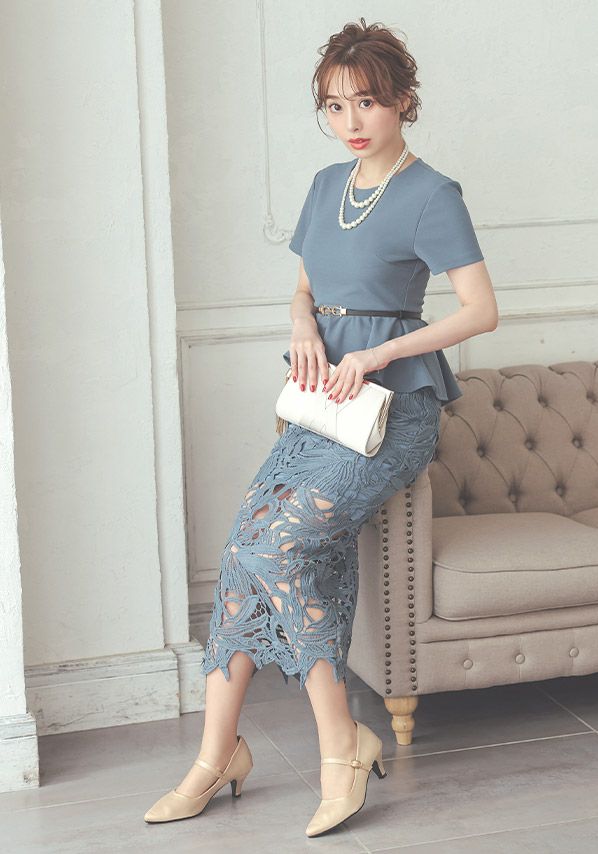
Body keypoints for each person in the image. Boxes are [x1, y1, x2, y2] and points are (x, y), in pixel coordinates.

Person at [144, 17, 498, 837]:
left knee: (275, 547)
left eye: (366, 101)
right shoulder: (324, 185)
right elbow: (306, 289)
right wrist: (304, 327)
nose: (351, 121)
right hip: (316, 404)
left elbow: (481, 311)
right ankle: (216, 755)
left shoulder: (433, 194)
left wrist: (380, 353)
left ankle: (342, 746)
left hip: (390, 412)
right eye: (335, 106)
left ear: (402, 99)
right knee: (246, 550)